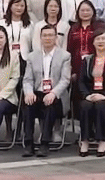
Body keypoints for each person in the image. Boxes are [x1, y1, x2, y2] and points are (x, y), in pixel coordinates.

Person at [22, 23, 72, 157]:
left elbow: (65, 80)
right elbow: (27, 79)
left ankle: (45, 143)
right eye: (45, 35)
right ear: (40, 38)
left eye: (50, 35)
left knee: (50, 105)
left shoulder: (65, 56)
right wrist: (28, 93)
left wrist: (53, 93)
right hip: (37, 93)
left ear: (56, 37)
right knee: (28, 104)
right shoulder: (32, 56)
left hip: (56, 95)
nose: (48, 38)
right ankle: (28, 143)